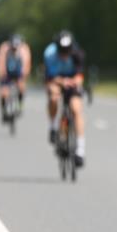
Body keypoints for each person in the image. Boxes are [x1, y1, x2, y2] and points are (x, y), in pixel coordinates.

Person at [44, 30, 86, 166]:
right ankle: (53, 126)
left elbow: (80, 76)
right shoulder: (50, 54)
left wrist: (75, 82)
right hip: (56, 80)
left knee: (76, 109)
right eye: (62, 51)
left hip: (72, 82)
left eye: (67, 51)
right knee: (54, 96)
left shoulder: (77, 53)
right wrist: (62, 82)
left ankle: (80, 149)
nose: (64, 54)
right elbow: (49, 78)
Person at [0, 33, 32, 121]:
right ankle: (4, 110)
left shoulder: (24, 48)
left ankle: (20, 104)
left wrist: (24, 74)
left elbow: (26, 62)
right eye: (13, 47)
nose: (14, 49)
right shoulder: (4, 47)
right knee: (3, 93)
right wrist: (1, 73)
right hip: (7, 73)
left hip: (18, 72)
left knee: (21, 87)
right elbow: (1, 61)